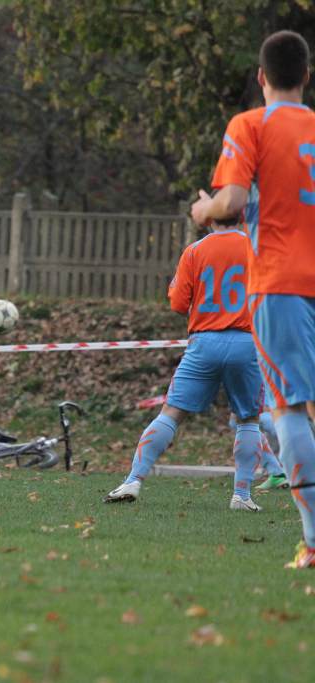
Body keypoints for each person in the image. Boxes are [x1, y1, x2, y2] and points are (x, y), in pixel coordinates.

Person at [191, 30, 315, 568]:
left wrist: (204, 210)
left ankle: (313, 541)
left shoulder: (250, 125)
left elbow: (232, 201)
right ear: (306, 76)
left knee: (288, 410)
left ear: (262, 77)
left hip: (283, 283)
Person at [105, 212, 263, 510]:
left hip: (204, 342)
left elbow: (178, 303)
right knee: (248, 419)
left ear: (209, 218)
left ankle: (133, 480)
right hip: (246, 342)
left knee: (171, 413)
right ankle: (242, 495)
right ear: (242, 215)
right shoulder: (257, 247)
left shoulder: (195, 250)